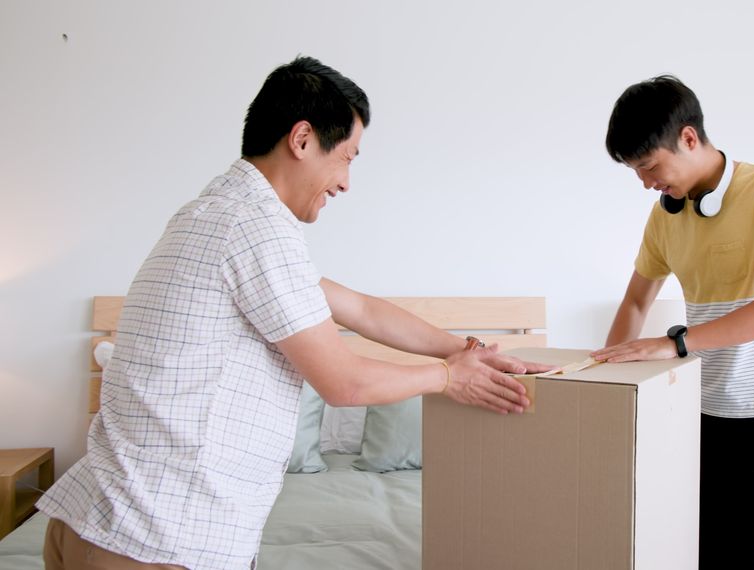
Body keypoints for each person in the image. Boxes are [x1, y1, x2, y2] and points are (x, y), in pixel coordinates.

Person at [37, 56, 543, 570]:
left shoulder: (211, 213)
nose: (346, 182)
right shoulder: (257, 227)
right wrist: (447, 378)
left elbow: (362, 309)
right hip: (159, 537)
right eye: (346, 157)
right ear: (301, 140)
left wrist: (466, 350)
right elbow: (344, 385)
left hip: (95, 520)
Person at [591, 75, 754, 570]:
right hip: (700, 411)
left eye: (650, 167)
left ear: (689, 138)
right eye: (636, 172)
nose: (646, 183)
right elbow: (634, 302)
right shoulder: (664, 217)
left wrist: (674, 343)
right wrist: (603, 373)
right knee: (707, 552)